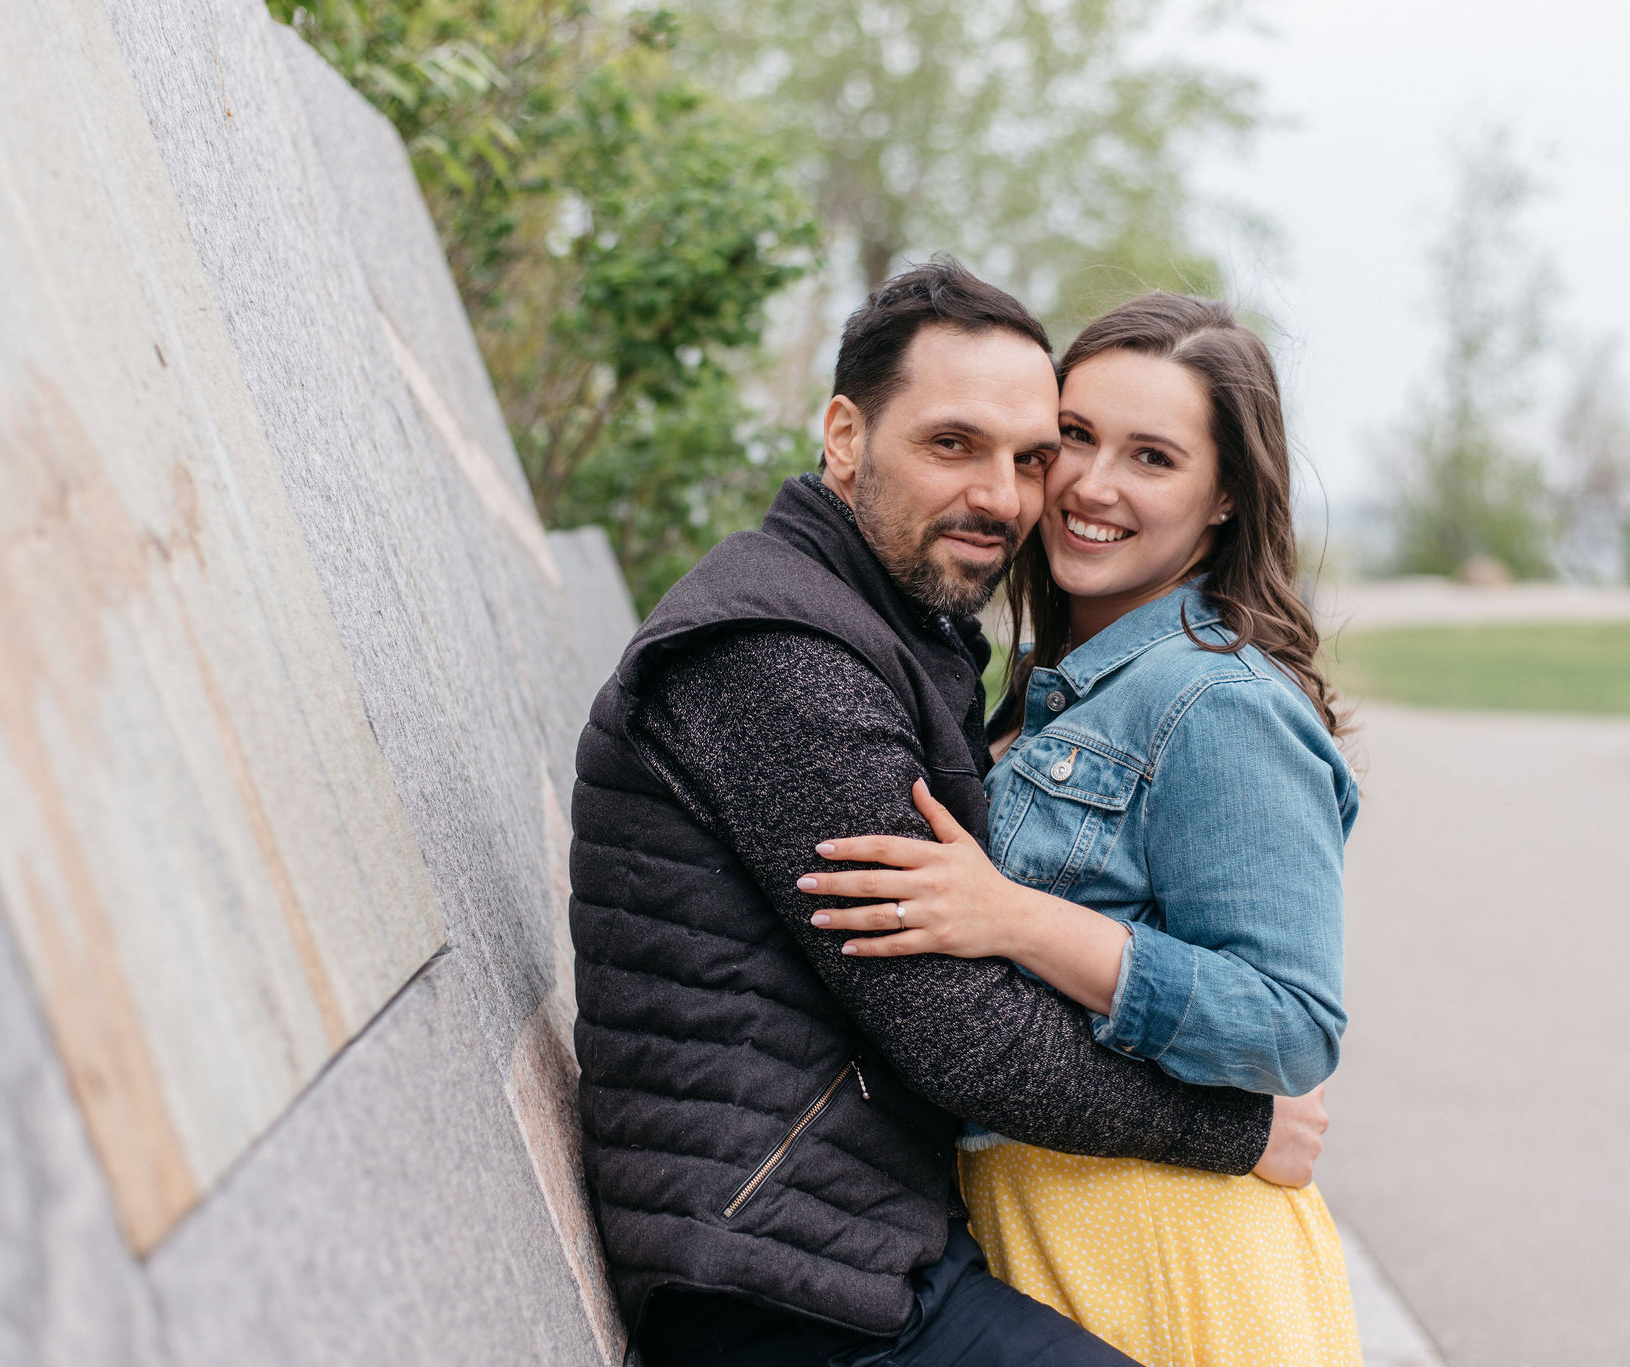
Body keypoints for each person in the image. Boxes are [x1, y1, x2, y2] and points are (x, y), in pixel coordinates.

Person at [569, 260, 1331, 1367]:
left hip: (855, 1250)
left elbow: (1283, 1009)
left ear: (1221, 496)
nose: (1011, 494)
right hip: (786, 1284)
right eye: (951, 444)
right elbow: (962, 1033)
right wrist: (1241, 1130)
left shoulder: (893, 637)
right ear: (843, 435)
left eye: (1028, 456)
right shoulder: (782, 659)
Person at [799, 293, 1364, 1366]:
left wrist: (1015, 920)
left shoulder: (1215, 702)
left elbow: (1291, 1022)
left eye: (1151, 456)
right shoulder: (1051, 691)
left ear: (1224, 498)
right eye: (1072, 438)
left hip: (1166, 1244)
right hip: (1034, 1227)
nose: (1091, 485)